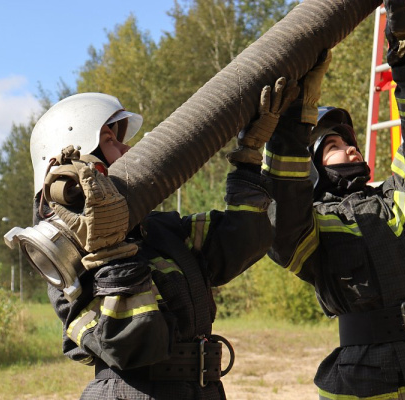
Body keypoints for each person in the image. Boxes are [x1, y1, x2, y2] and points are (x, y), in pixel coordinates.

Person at [262, 1, 405, 399]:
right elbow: (282, 212)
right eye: (332, 145)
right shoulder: (310, 226)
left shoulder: (399, 195)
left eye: (349, 141)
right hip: (365, 381)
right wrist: (294, 121)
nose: (350, 149)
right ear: (310, 170)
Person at [27, 83, 296, 399]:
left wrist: (250, 157)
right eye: (111, 140)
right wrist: (111, 251)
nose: (128, 150)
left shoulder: (162, 230)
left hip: (203, 389)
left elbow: (244, 240)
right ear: (76, 167)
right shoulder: (64, 263)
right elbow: (132, 345)